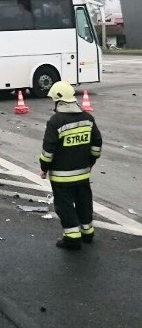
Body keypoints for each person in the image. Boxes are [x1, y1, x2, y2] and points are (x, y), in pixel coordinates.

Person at [39, 81, 102, 250]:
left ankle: (72, 238)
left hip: (61, 177)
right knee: (84, 203)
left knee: (65, 206)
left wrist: (44, 168)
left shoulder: (55, 121)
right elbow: (97, 144)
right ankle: (87, 233)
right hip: (83, 174)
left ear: (59, 101)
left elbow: (48, 150)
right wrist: (91, 161)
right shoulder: (88, 118)